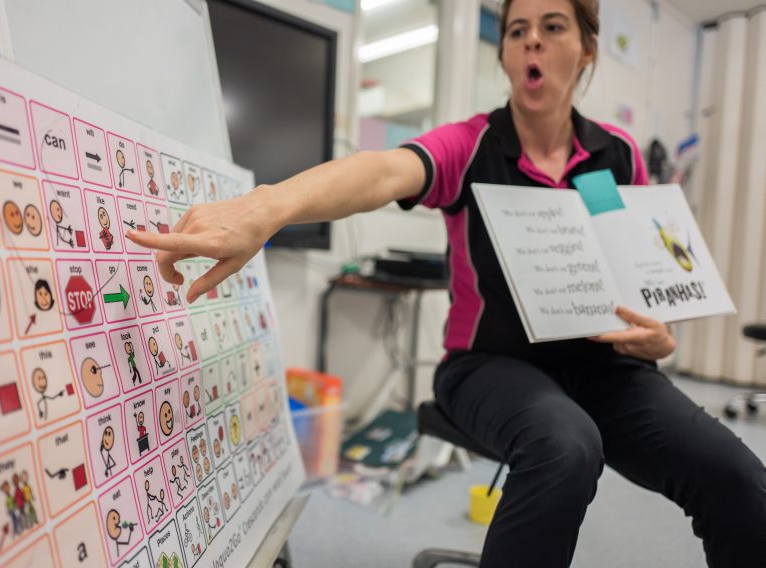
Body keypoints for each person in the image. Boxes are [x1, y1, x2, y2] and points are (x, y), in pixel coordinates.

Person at [126, 0, 766, 566]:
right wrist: (269, 206)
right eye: (517, 31)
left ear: (587, 49)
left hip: (606, 367)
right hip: (490, 368)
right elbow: (380, 171)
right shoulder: (473, 144)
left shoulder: (617, 155)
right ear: (506, 54)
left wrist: (657, 337)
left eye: (552, 26)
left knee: (739, 476)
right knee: (566, 446)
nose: (531, 42)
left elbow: (640, 273)